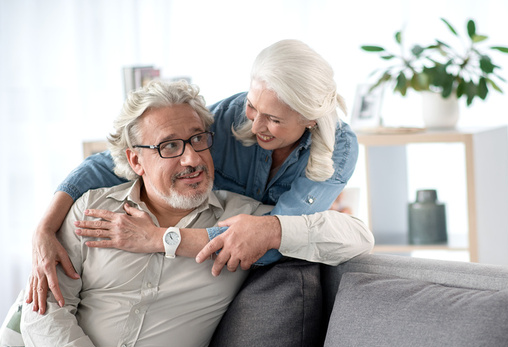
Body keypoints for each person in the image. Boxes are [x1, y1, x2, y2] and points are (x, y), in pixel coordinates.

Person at [0, 79, 373, 347]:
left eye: (198, 140)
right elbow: (44, 314)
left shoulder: (240, 222)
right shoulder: (91, 211)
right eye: (169, 147)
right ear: (135, 161)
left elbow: (357, 237)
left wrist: (272, 229)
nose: (192, 159)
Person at [29, 39, 359, 313]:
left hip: (218, 269)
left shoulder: (338, 150)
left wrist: (158, 239)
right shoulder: (230, 115)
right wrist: (43, 229)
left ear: (310, 119)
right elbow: (114, 161)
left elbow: (274, 237)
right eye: (252, 107)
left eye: (272, 119)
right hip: (194, 248)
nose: (255, 125)